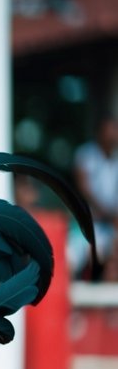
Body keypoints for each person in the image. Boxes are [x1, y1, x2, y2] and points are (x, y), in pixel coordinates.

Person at [74, 117, 118, 280]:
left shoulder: (115, 159)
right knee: (81, 260)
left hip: (110, 224)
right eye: (110, 130)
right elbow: (83, 189)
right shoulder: (86, 154)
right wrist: (108, 214)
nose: (113, 135)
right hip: (89, 224)